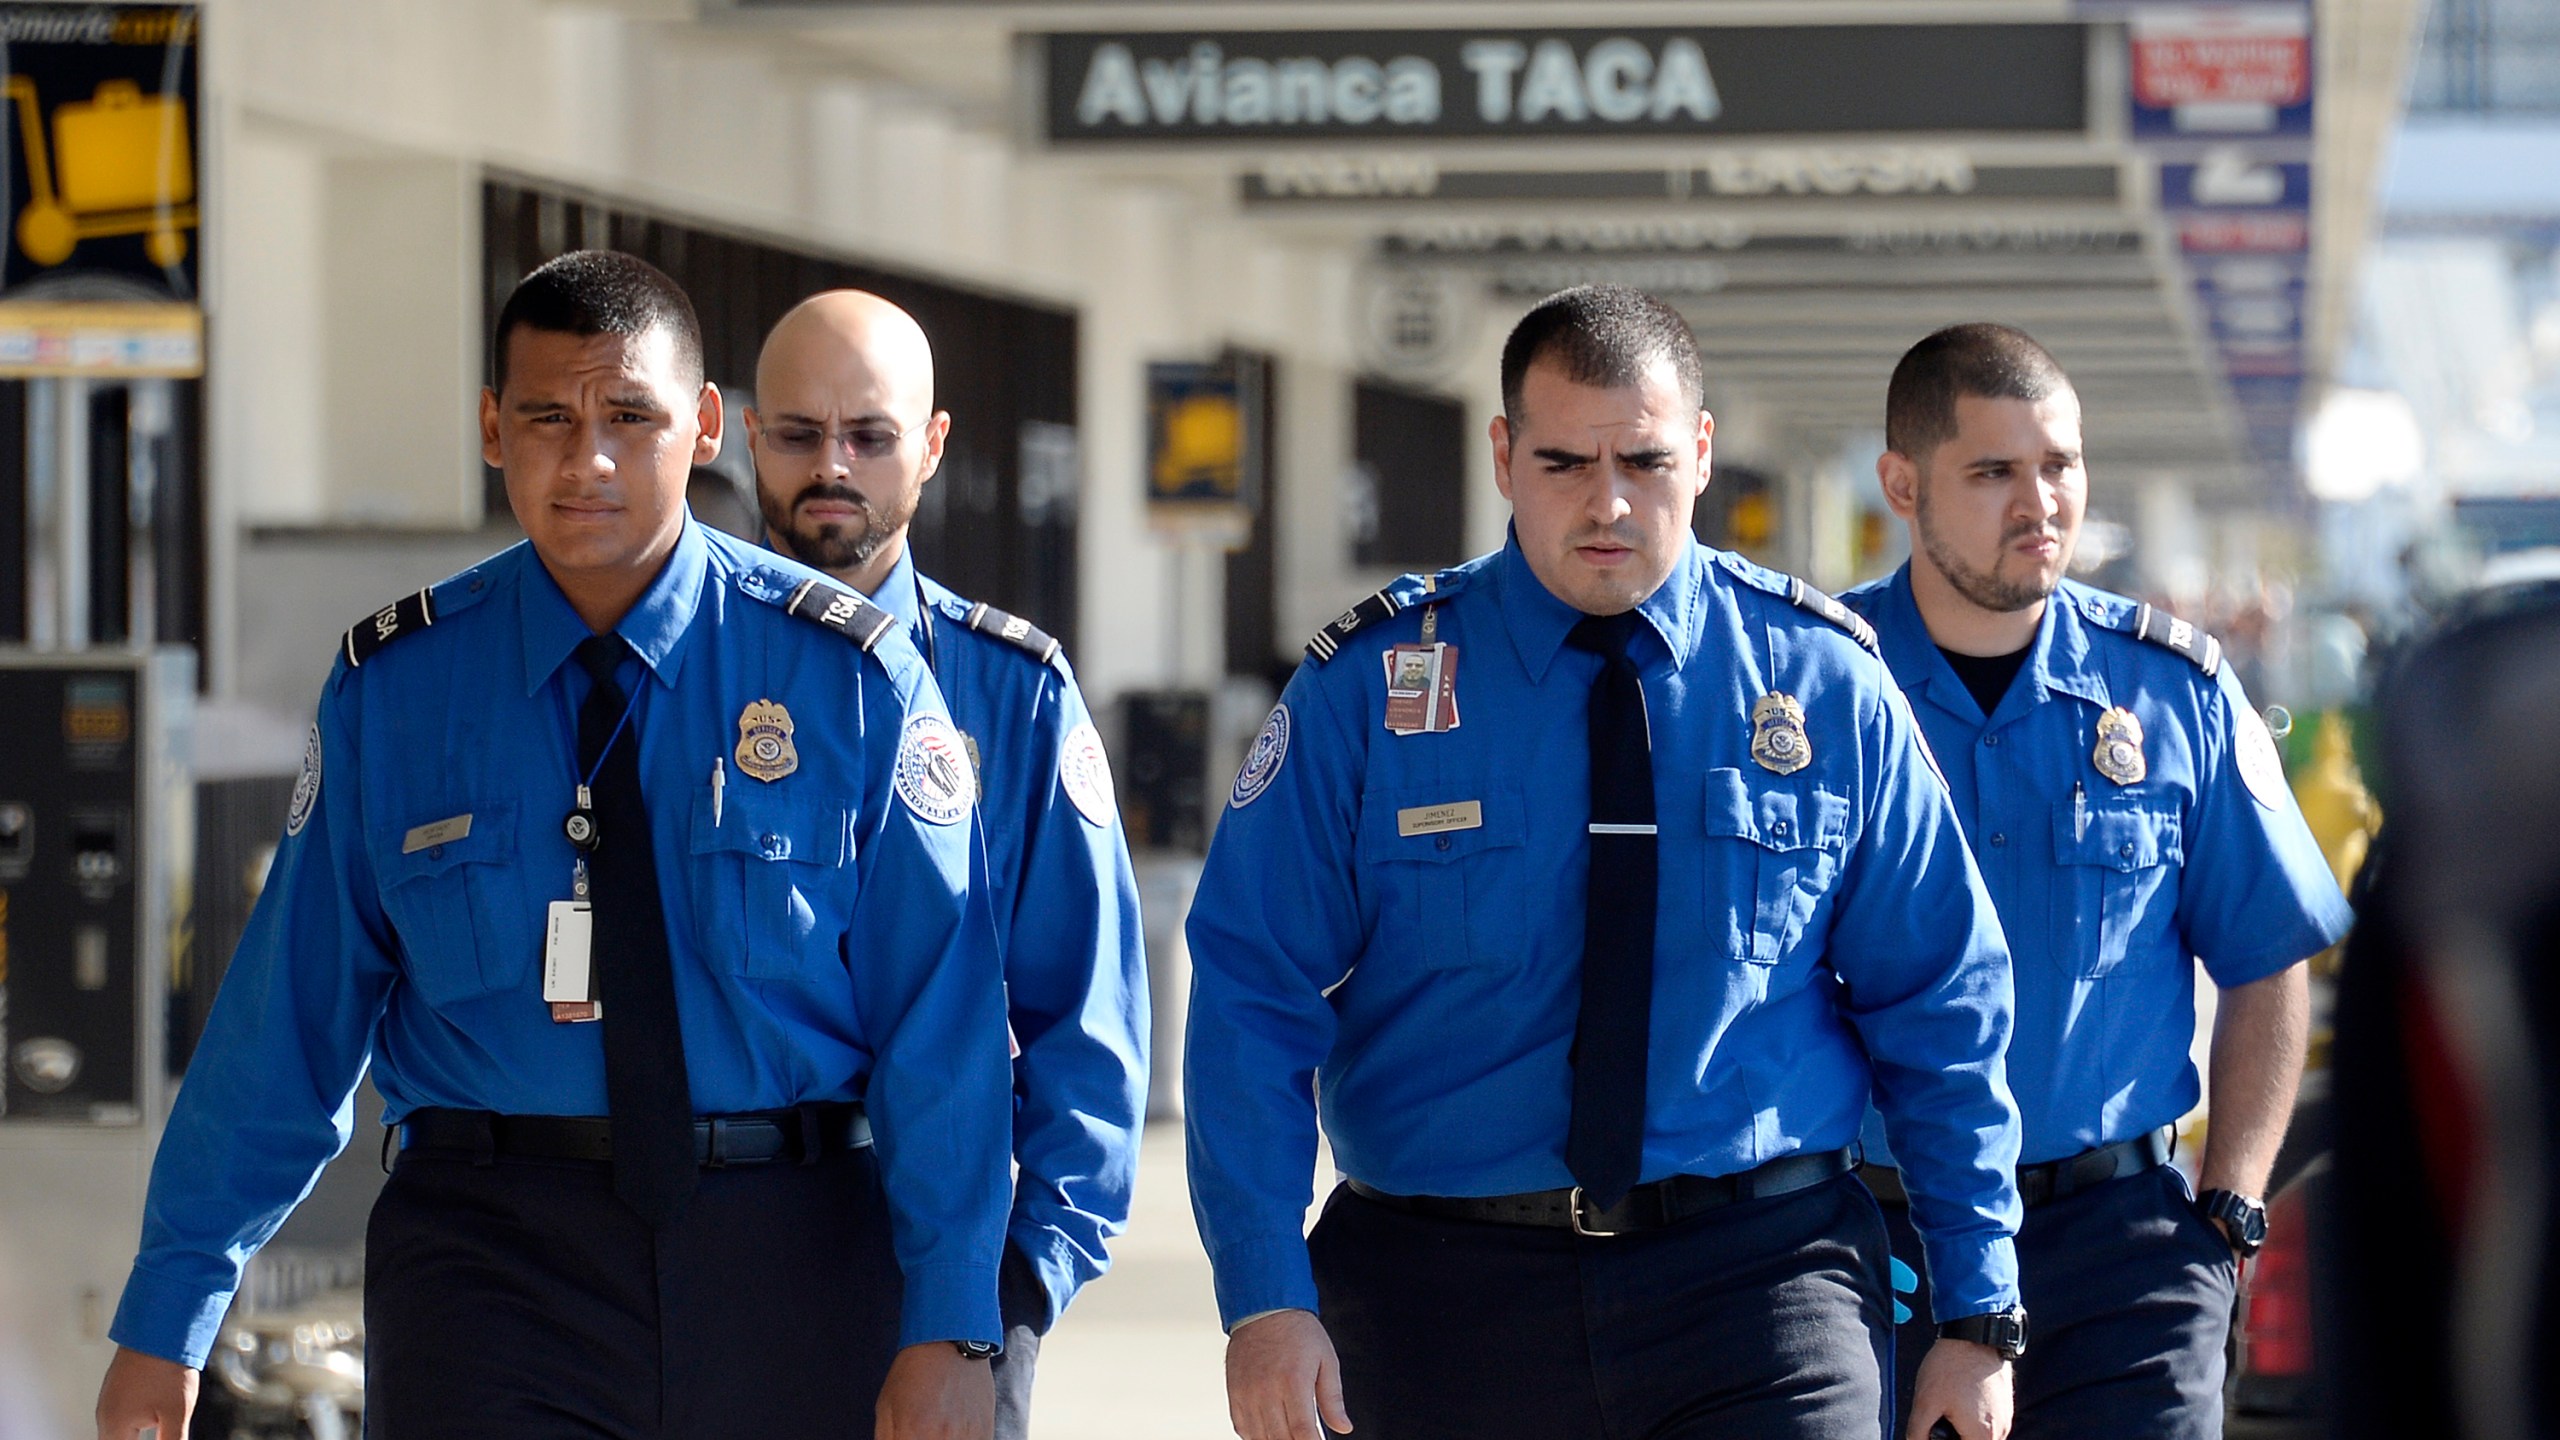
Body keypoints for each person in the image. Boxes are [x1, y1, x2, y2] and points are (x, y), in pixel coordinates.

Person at [92, 250, 1013, 1440]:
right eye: (546, 416)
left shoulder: (849, 679)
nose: (589, 459)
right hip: (489, 1265)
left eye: (632, 415)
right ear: (490, 427)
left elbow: (943, 1031)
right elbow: (286, 1025)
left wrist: (952, 1323)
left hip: (788, 1249)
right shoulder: (398, 689)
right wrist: (171, 1309)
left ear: (705, 428)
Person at [1184, 284, 2028, 1440]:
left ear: (1703, 453)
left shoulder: (1823, 683)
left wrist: (1978, 1307)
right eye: (1564, 463)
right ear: (1501, 455)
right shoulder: (1370, 691)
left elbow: (1940, 996)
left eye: (1643, 459)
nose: (1609, 501)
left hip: (1761, 1287)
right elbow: (1250, 994)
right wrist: (1263, 1297)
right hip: (1443, 1295)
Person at [1838, 323, 2353, 1440]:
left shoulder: (2176, 692)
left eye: (2059, 466)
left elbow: (2268, 953)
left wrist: (2230, 1210)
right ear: (1900, 483)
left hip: (2125, 1256)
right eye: (1992, 472)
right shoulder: (1814, 690)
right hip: (1873, 1252)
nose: (2040, 503)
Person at [745, 289, 1149, 1439]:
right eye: (799, 433)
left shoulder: (1013, 698)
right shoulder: (671, 680)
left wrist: (1010, 1304)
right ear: (742, 433)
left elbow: (1091, 1034)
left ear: (929, 448)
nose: (833, 466)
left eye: (870, 436)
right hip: (707, 1276)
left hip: (953, 1287)